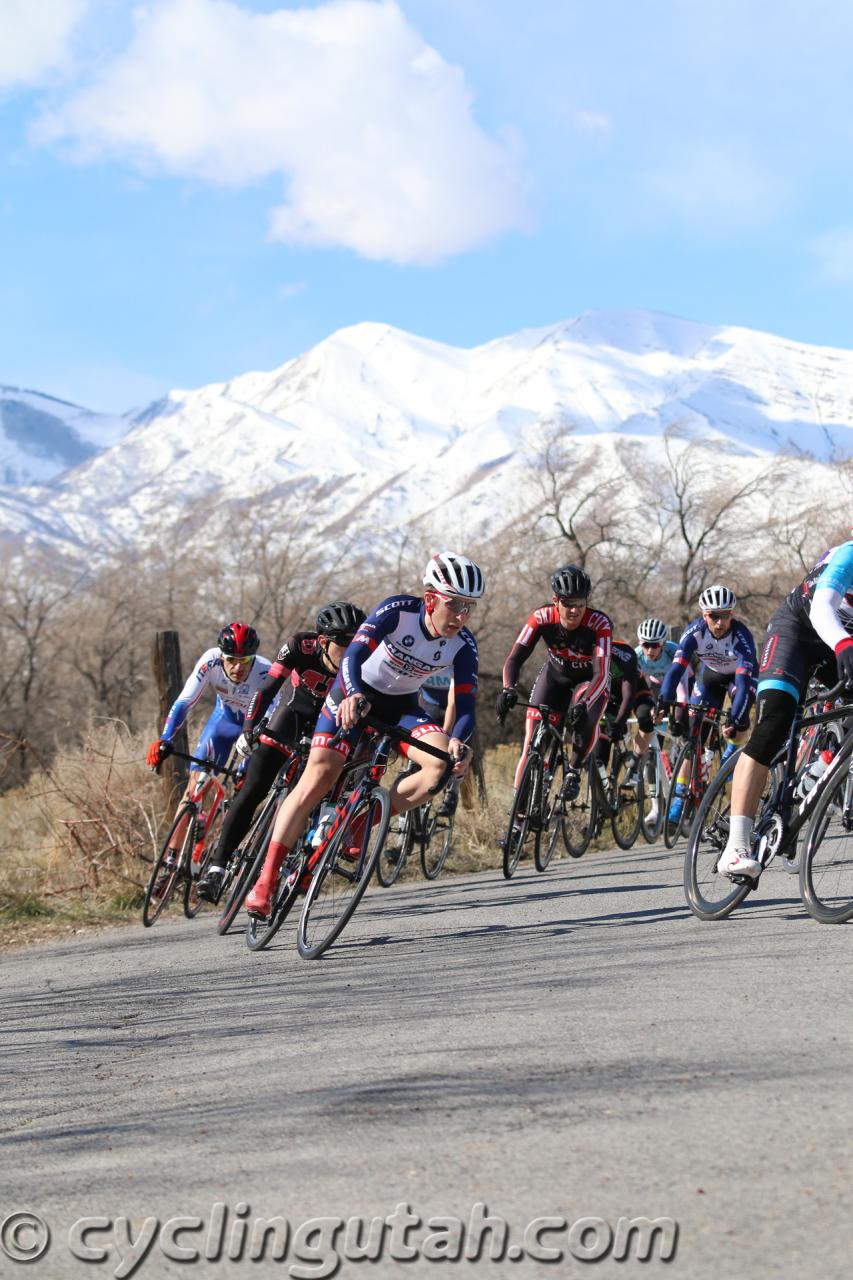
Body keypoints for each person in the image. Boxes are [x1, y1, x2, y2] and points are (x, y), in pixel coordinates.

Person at [244, 551, 485, 918]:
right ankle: (266, 878)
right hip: (353, 692)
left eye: (469, 607)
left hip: (402, 707)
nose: (461, 616)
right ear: (432, 598)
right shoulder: (397, 611)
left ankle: (362, 819)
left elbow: (466, 706)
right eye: (454, 605)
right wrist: (352, 694)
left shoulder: (463, 645)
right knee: (319, 778)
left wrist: (458, 740)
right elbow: (351, 658)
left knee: (440, 765)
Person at [196, 602, 366, 903]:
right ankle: (218, 867)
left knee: (314, 793)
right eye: (343, 642)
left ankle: (294, 862)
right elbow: (268, 688)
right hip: (292, 715)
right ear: (324, 642)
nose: (351, 649)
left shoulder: (363, 660)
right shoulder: (301, 645)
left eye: (356, 641)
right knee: (253, 788)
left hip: (327, 728)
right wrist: (249, 730)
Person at [716, 541, 853, 878]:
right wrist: (845, 644)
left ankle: (817, 773)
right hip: (798, 631)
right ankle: (735, 847)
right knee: (774, 725)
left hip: (837, 645)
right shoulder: (848, 555)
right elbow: (822, 608)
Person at [145, 622, 271, 873]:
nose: (237, 667)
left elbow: (273, 717)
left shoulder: (266, 672)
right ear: (221, 656)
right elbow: (184, 702)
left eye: (244, 661)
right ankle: (172, 858)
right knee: (194, 787)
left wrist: (249, 760)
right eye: (231, 660)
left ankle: (224, 856)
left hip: (254, 730)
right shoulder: (211, 661)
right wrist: (166, 738)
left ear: (253, 658)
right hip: (223, 723)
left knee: (244, 788)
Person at [497, 565, 612, 803]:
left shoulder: (599, 623)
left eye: (580, 603)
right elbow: (514, 658)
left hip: (589, 683)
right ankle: (517, 820)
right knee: (531, 744)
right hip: (554, 677)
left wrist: (584, 704)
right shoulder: (541, 617)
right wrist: (508, 688)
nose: (575, 610)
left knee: (583, 719)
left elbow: (601, 673)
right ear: (555, 601)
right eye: (568, 603)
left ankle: (573, 770)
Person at [659, 586, 757, 824]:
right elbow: (675, 670)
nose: (720, 621)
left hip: (738, 679)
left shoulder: (741, 637)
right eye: (714, 615)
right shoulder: (694, 633)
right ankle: (680, 797)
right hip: (710, 677)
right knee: (693, 737)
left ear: (731, 614)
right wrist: (663, 700)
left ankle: (732, 747)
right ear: (704, 615)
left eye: (725, 615)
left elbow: (744, 686)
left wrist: (735, 718)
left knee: (741, 717)